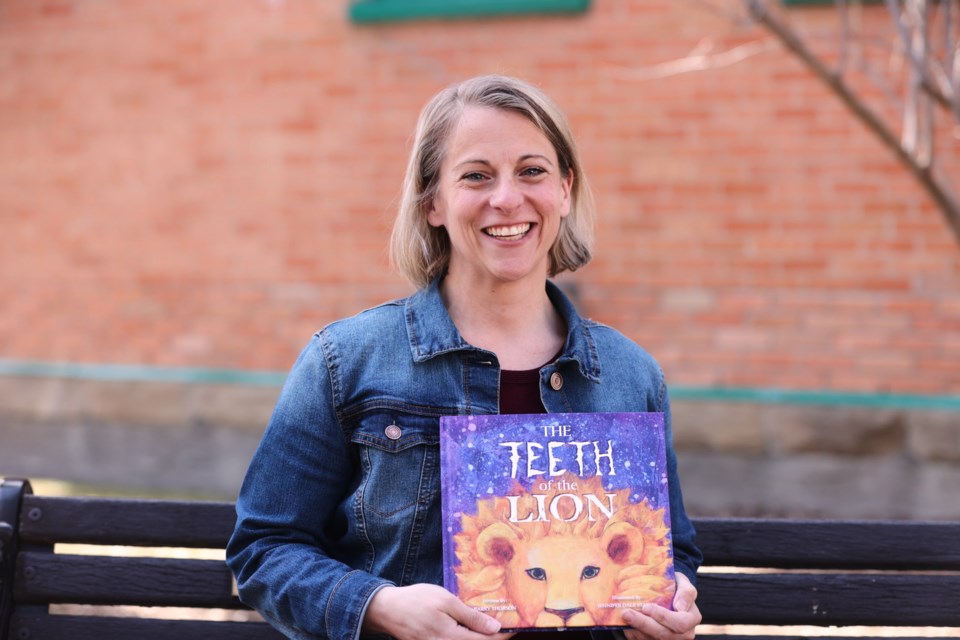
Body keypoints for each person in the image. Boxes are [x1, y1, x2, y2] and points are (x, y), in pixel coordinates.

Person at [227, 74, 703, 640]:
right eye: (476, 176)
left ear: (565, 190)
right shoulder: (345, 360)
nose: (507, 198)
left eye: (532, 171)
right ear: (433, 202)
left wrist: (671, 599)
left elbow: (673, 555)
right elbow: (263, 550)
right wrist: (377, 605)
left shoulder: (631, 374)